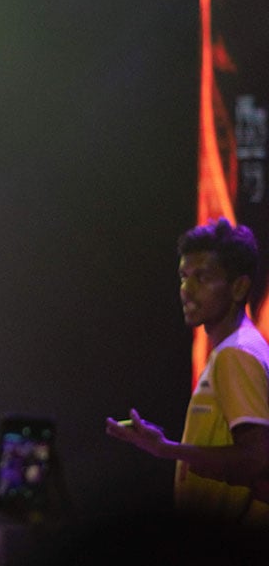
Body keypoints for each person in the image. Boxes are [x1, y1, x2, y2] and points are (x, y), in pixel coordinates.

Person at [106, 218, 269, 525]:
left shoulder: (236, 355)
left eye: (202, 278)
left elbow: (256, 458)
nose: (186, 290)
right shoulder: (234, 351)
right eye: (184, 277)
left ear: (239, 287)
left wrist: (167, 449)